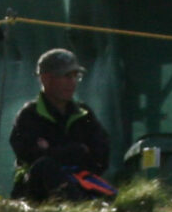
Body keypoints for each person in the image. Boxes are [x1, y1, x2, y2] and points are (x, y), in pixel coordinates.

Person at [9, 49, 112, 202]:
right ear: (45, 79)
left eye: (75, 76)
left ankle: (81, 201)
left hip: (80, 181)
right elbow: (31, 157)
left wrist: (51, 150)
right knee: (45, 166)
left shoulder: (84, 113)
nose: (72, 82)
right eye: (66, 76)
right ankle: (77, 203)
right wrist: (79, 150)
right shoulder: (29, 115)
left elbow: (102, 156)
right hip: (35, 190)